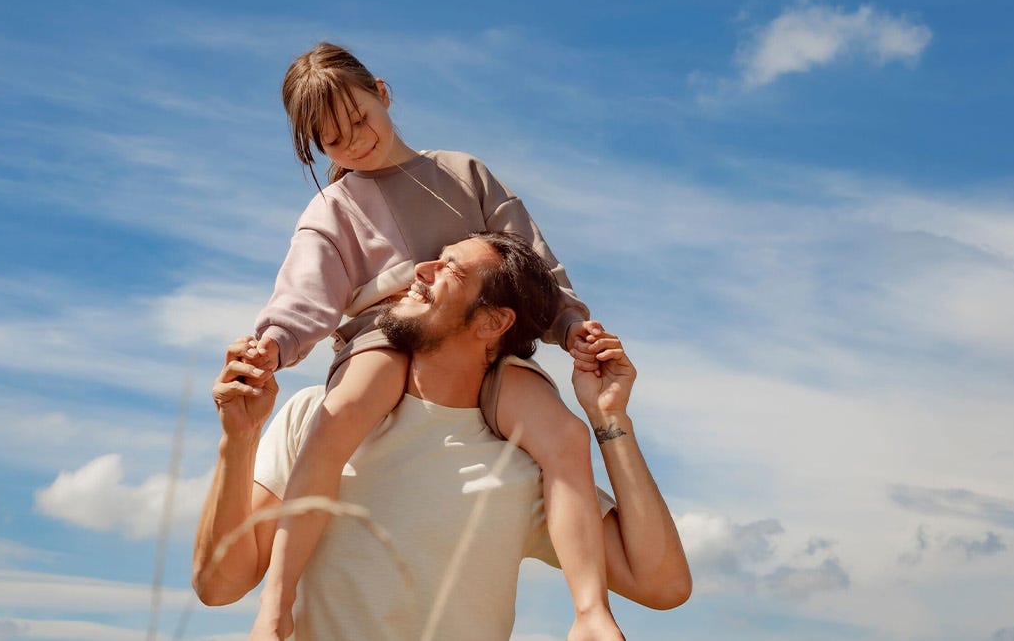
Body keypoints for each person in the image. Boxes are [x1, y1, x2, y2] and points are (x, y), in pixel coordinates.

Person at [240, 43, 615, 639]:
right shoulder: (331, 210)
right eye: (334, 140)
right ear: (316, 147)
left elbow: (534, 265)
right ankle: (274, 610)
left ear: (383, 93)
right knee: (336, 417)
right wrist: (274, 346)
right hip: (383, 335)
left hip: (486, 339)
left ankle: (591, 612)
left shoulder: (462, 173)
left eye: (361, 119)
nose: (355, 142)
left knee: (565, 435)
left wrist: (569, 326)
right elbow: (303, 300)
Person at [193, 232, 691, 640]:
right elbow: (219, 586)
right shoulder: (315, 415)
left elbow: (663, 584)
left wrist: (610, 417)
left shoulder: (521, 464)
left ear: (494, 322)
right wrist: (239, 440)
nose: (419, 271)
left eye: (449, 269)